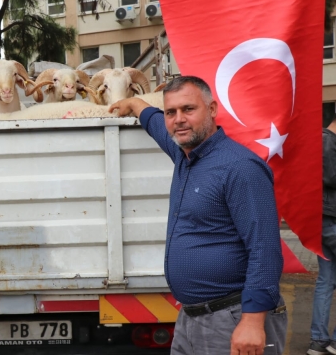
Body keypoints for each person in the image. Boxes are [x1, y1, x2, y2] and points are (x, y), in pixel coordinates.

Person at [110, 76, 287, 355]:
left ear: (212, 109)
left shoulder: (240, 168)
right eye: (171, 112)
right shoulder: (184, 154)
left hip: (233, 317)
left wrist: (253, 321)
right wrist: (134, 103)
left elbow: (265, 249)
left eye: (188, 109)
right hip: (191, 318)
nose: (178, 119)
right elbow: (155, 123)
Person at [307, 114, 336, 355]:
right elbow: (330, 177)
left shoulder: (325, 140)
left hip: (326, 221)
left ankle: (319, 342)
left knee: (326, 282)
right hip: (331, 220)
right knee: (325, 282)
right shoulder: (327, 140)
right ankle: (329, 342)